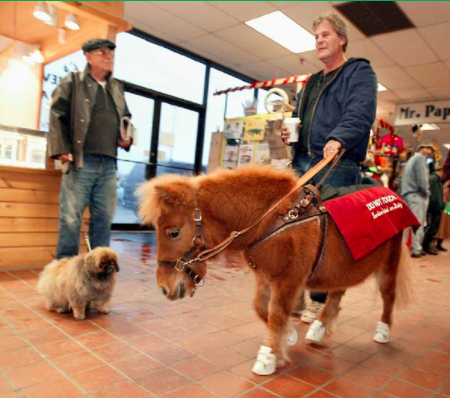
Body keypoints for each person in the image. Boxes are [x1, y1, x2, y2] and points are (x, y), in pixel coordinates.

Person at [281, 12, 377, 323]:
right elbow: (298, 118)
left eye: (325, 35)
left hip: (337, 163)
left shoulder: (358, 72)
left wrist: (338, 138)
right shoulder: (310, 82)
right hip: (303, 163)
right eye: (316, 36)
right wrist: (289, 136)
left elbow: (360, 112)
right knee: (294, 232)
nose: (319, 40)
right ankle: (295, 292)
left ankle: (320, 300)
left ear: (342, 39)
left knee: (325, 238)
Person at [48, 38, 133, 259]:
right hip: (80, 161)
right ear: (88, 56)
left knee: (104, 218)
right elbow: (57, 113)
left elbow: (126, 118)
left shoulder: (117, 87)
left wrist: (126, 137)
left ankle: (98, 272)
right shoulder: (73, 81)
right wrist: (61, 148)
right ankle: (64, 273)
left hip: (108, 164)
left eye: (111, 53)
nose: (109, 57)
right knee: (70, 219)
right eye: (103, 53)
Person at [401, 143, 435, 258]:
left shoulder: (411, 160)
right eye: (429, 148)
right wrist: (427, 193)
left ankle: (402, 248)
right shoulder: (420, 159)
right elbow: (422, 179)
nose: (430, 151)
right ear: (422, 148)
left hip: (407, 194)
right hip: (417, 195)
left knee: (405, 225)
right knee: (418, 224)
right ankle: (416, 249)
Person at [422, 162, 445, 255]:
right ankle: (425, 245)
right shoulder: (434, 179)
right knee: (431, 227)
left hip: (436, 207)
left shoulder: (437, 179)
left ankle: (426, 245)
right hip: (434, 208)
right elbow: (434, 196)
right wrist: (439, 206)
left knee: (433, 227)